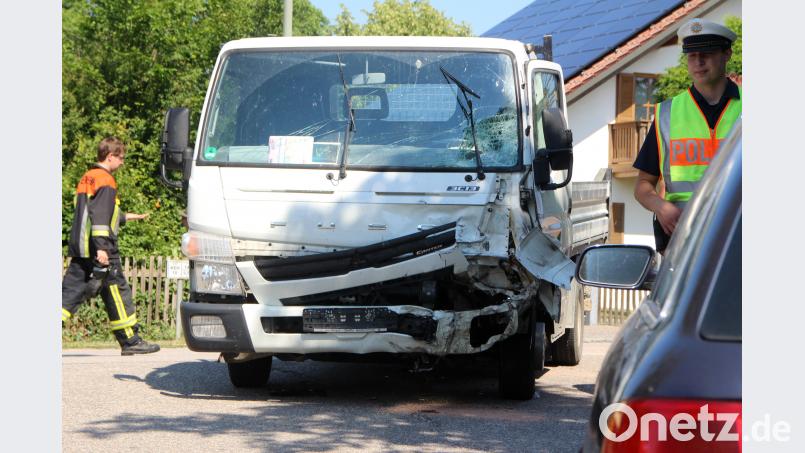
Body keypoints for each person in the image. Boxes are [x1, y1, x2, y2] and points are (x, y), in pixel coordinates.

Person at [633, 18, 741, 253]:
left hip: (739, 239)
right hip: (683, 243)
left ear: (726, 54)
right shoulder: (666, 113)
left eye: (707, 53)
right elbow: (642, 185)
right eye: (692, 55)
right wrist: (660, 207)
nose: (698, 62)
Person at [62, 137, 161, 355]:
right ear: (110, 156)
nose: (122, 162)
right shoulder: (106, 180)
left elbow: (99, 214)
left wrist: (132, 217)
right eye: (121, 158)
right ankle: (130, 340)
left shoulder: (87, 177)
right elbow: (99, 219)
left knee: (68, 295)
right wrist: (102, 249)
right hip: (101, 249)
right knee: (117, 290)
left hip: (82, 248)